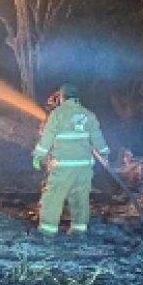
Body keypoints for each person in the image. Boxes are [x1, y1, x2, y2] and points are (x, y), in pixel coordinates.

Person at [32, 83, 109, 238]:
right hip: (84, 167)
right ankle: (79, 231)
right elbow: (98, 139)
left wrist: (38, 156)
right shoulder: (88, 115)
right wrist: (105, 155)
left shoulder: (57, 115)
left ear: (61, 97)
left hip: (62, 166)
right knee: (80, 198)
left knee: (53, 198)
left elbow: (46, 140)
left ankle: (47, 232)